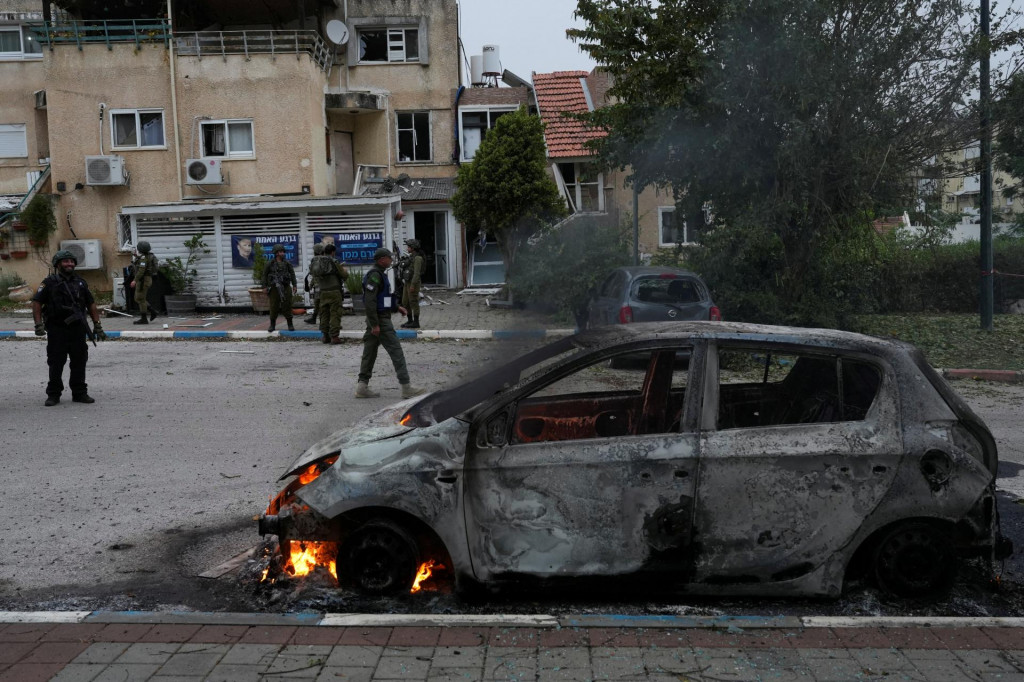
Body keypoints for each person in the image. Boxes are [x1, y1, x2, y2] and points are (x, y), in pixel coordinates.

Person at [31, 249, 107, 406]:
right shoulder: (49, 282)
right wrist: (38, 324)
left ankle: (79, 393)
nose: (69, 263)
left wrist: (97, 325)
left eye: (72, 261)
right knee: (56, 362)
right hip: (57, 329)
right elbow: (37, 302)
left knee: (79, 361)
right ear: (58, 264)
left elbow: (90, 304)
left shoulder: (80, 283)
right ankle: (53, 394)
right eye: (66, 261)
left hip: (77, 329)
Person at [356, 247, 424, 399]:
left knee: (369, 353)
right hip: (380, 321)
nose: (392, 260)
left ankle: (362, 386)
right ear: (382, 260)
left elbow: (383, 297)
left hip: (379, 319)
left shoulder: (381, 274)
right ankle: (406, 387)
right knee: (396, 352)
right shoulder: (375, 275)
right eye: (389, 258)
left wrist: (396, 307)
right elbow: (370, 301)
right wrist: (375, 324)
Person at [312, 242, 349, 344]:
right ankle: (334, 337)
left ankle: (325, 336)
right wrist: (344, 270)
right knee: (335, 314)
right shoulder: (334, 261)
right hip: (334, 292)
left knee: (324, 314)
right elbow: (344, 276)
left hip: (323, 292)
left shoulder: (318, 262)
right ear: (333, 252)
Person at [263, 243, 297, 332]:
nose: (283, 253)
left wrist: (294, 285)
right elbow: (264, 275)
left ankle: (290, 324)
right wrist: (264, 287)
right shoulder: (270, 264)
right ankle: (272, 325)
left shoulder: (287, 263)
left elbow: (292, 274)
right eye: (281, 252)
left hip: (285, 287)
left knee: (287, 305)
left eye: (283, 252)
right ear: (276, 253)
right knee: (274, 306)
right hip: (274, 288)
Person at [129, 240, 158, 325]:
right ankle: (152, 311)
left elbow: (141, 271)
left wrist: (135, 280)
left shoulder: (143, 258)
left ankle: (145, 318)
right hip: (146, 280)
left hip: (143, 281)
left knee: (140, 299)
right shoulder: (147, 256)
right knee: (139, 298)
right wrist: (136, 256)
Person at [400, 238, 425, 329]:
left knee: (413, 301)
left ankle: (416, 322)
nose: (407, 249)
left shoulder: (418, 258)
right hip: (407, 282)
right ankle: (410, 320)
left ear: (413, 248)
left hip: (413, 282)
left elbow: (417, 273)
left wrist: (413, 285)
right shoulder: (411, 257)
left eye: (409, 247)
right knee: (405, 302)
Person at [304, 242, 324, 325]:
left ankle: (320, 320)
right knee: (320, 303)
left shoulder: (315, 260)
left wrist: (310, 285)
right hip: (324, 285)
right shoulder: (325, 259)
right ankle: (315, 318)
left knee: (318, 303)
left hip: (318, 286)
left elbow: (314, 275)